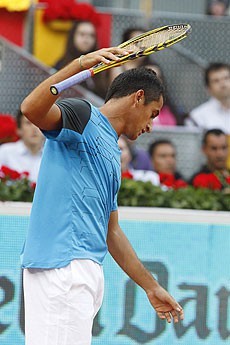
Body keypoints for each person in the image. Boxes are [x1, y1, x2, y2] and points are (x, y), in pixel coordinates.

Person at [20, 47, 184, 345]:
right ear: (137, 98)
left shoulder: (113, 151)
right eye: (153, 113)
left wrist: (150, 287)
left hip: (85, 271)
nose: (151, 125)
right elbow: (31, 108)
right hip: (63, 267)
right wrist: (79, 64)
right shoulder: (84, 116)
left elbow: (112, 230)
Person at [54, 20, 108, 98]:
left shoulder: (101, 65)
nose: (87, 39)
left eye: (91, 35)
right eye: (82, 34)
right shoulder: (61, 65)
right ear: (73, 36)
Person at [0, 110, 44, 182]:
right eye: (28, 123)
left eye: (38, 123)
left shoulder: (52, 156)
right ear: (18, 129)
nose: (34, 128)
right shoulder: (5, 152)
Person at [185, 62, 230, 133]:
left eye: (226, 78)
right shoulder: (197, 117)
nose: (223, 84)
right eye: (216, 81)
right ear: (208, 88)